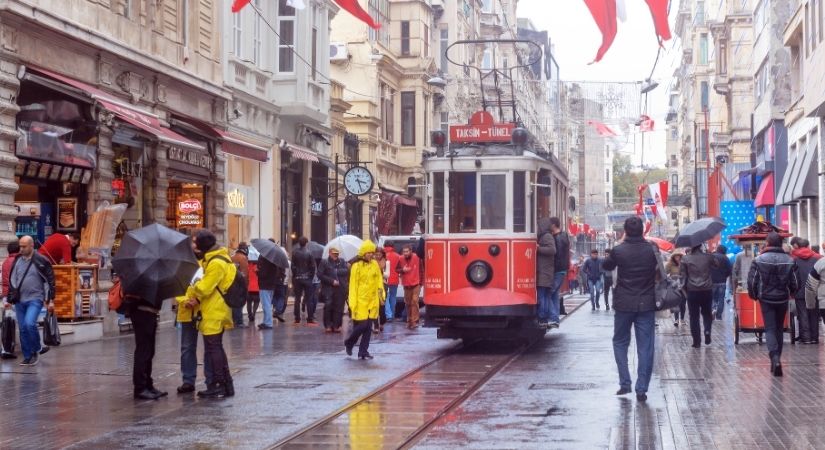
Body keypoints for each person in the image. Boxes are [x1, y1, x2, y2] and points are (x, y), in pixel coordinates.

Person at [602, 217, 659, 402]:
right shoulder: (652, 249)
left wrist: (618, 245)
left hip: (624, 303)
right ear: (642, 230)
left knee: (620, 342)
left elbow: (606, 265)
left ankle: (625, 382)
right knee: (645, 347)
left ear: (625, 231)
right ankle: (641, 389)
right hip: (646, 303)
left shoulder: (618, 250)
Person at [185, 229, 235, 397]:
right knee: (216, 347)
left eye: (195, 242)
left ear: (203, 244)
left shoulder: (216, 263)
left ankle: (218, 384)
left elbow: (205, 288)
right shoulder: (216, 259)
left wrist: (194, 283)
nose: (193, 245)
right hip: (215, 308)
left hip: (214, 310)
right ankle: (226, 384)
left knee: (214, 348)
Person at [748, 232, 799, 377]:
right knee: (779, 329)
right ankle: (777, 360)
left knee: (770, 329)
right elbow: (796, 282)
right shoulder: (789, 260)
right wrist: (791, 292)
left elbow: (752, 281)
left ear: (768, 243)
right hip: (782, 298)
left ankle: (775, 358)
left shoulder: (758, 260)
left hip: (766, 299)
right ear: (781, 243)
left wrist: (754, 295)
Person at [8, 236, 55, 366]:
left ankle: (36, 350)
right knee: (23, 328)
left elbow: (49, 280)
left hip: (35, 298)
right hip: (19, 300)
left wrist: (50, 299)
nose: (21, 249)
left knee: (29, 323)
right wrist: (10, 297)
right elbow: (12, 279)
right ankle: (27, 356)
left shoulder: (41, 260)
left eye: (24, 246)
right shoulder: (17, 260)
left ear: (31, 246)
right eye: (20, 246)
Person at [175, 239, 213, 395]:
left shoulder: (208, 265)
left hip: (204, 311)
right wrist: (184, 301)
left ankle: (210, 380)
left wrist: (198, 300)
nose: (195, 248)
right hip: (186, 312)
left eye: (197, 245)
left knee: (209, 347)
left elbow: (211, 286)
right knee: (187, 348)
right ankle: (188, 380)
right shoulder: (181, 266)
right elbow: (177, 287)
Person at [345, 240, 384, 359]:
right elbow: (353, 286)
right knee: (362, 325)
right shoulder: (356, 266)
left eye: (372, 252)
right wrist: (352, 303)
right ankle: (349, 342)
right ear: (363, 253)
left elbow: (379, 280)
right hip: (360, 300)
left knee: (368, 327)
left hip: (372, 300)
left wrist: (381, 296)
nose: (371, 255)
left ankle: (363, 351)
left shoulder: (375, 264)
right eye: (368, 253)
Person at [680, 243, 719, 348]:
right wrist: (710, 254)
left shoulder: (685, 259)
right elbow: (717, 265)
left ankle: (696, 341)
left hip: (692, 290)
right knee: (707, 314)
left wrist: (683, 290)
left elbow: (683, 276)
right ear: (700, 246)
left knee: (694, 316)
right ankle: (707, 331)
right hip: (706, 289)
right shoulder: (708, 257)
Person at [791, 238, 821, 343]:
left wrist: (793, 290)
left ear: (797, 246)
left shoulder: (794, 259)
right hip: (814, 290)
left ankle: (806, 338)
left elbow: (793, 276)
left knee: (803, 314)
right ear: (808, 246)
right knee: (814, 314)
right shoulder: (818, 258)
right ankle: (814, 338)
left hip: (800, 291)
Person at [319, 247, 350, 333]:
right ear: (329, 253)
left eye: (337, 253)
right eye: (334, 253)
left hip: (340, 288)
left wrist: (336, 271)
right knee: (328, 305)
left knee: (339, 307)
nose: (335, 255)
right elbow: (320, 275)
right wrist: (332, 281)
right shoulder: (324, 262)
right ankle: (328, 325)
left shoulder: (342, 261)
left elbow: (346, 271)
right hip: (328, 288)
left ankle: (336, 325)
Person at [548, 217, 570, 328]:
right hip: (562, 270)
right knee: (555, 295)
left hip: (557, 270)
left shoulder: (557, 238)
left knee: (548, 294)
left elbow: (558, 255)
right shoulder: (564, 235)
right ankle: (555, 318)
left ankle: (553, 318)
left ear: (553, 225)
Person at [291, 236, 317, 325]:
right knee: (309, 299)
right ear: (306, 243)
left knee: (297, 298)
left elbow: (293, 266)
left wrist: (295, 275)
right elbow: (313, 267)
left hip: (298, 278)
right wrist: (310, 277)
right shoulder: (309, 253)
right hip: (307, 278)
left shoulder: (295, 253)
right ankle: (310, 318)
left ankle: (297, 318)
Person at [536, 217, 557, 327]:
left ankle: (543, 318)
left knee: (542, 296)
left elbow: (552, 250)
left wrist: (538, 248)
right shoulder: (545, 236)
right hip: (544, 272)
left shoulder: (547, 236)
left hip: (544, 272)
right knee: (544, 296)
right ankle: (549, 318)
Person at [397, 244, 421, 330]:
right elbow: (397, 269)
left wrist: (421, 282)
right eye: (404, 252)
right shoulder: (400, 258)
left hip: (416, 283)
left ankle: (414, 321)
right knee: (407, 303)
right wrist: (402, 270)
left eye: (407, 251)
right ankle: (409, 320)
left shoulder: (417, 257)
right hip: (406, 284)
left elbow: (421, 269)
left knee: (414, 301)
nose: (405, 253)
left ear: (411, 251)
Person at [257, 254, 284, 329]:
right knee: (267, 303)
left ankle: (268, 323)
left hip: (265, 284)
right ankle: (266, 321)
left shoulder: (265, 260)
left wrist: (257, 272)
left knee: (266, 304)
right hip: (272, 284)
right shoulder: (275, 259)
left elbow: (263, 273)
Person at [710, 245, 732, 320]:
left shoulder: (711, 257)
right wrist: (725, 276)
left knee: (712, 297)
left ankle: (713, 308)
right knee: (721, 298)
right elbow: (729, 269)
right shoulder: (725, 258)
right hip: (722, 281)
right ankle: (719, 315)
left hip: (712, 281)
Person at [230, 243, 249, 328]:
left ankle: (234, 320)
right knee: (239, 303)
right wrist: (246, 285)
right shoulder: (243, 258)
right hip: (240, 283)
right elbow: (245, 274)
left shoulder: (232, 257)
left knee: (234, 302)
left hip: (232, 282)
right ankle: (239, 321)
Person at [665, 253, 686, 327]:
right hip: (674, 286)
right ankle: (676, 319)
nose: (677, 258)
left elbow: (687, 273)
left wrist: (682, 276)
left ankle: (682, 319)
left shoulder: (684, 264)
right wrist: (671, 277)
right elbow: (665, 274)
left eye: (679, 256)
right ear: (673, 257)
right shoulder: (670, 264)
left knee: (683, 303)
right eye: (676, 256)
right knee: (676, 303)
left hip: (683, 286)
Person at [383, 241, 401, 322]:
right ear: (393, 246)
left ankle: (388, 315)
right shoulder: (397, 256)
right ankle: (392, 314)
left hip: (385, 279)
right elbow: (399, 268)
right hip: (394, 280)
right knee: (393, 297)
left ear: (384, 246)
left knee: (385, 297)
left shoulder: (382, 255)